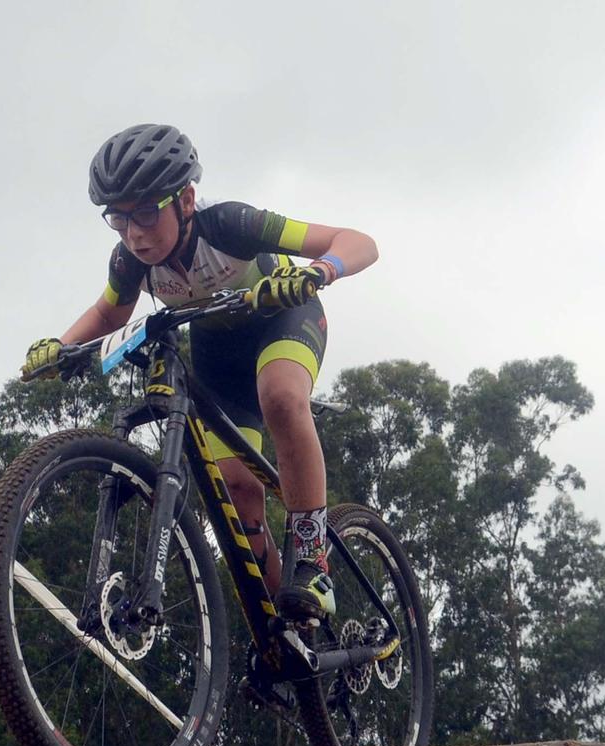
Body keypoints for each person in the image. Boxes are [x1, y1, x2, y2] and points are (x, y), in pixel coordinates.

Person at [23, 123, 378, 622]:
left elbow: (357, 241)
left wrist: (318, 271)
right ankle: (289, 629)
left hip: (281, 319)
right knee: (234, 488)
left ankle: (312, 559)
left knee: (279, 396)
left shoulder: (231, 224)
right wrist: (60, 347)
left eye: (147, 212)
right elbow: (108, 315)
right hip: (216, 351)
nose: (135, 233)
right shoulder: (130, 261)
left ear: (186, 200)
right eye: (119, 219)